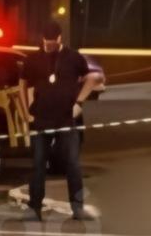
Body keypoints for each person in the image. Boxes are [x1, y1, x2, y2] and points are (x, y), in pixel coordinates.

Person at [20, 19, 103, 220]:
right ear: (42, 39)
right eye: (46, 43)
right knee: (38, 164)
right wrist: (25, 113)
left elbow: (93, 78)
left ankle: (78, 208)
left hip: (66, 118)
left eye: (52, 43)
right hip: (42, 118)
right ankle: (34, 208)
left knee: (72, 163)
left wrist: (79, 102)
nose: (49, 46)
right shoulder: (34, 59)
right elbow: (22, 83)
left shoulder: (73, 58)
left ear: (59, 38)